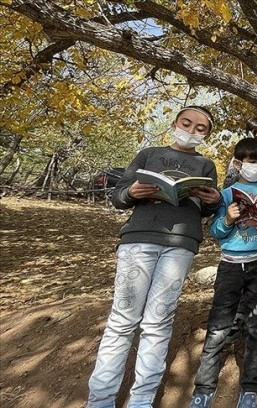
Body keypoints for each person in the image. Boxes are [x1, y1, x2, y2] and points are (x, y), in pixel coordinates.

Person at [88, 106, 222, 408]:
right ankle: (100, 400)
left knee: (159, 322)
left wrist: (214, 201)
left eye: (200, 128)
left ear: (207, 134)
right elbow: (118, 196)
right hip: (139, 241)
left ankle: (141, 401)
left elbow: (207, 207)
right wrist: (132, 192)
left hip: (181, 244)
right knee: (122, 320)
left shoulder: (206, 164)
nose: (191, 130)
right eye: (186, 123)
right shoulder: (148, 154)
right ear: (174, 123)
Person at [188, 137, 257, 408]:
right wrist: (229, 219)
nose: (254, 166)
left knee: (256, 326)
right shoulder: (227, 194)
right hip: (230, 264)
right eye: (249, 161)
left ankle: (251, 387)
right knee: (219, 326)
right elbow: (216, 232)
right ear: (237, 163)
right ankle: (204, 387)